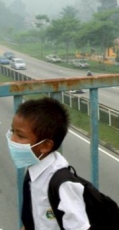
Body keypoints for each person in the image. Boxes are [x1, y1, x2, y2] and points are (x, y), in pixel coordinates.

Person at [6, 97, 91, 230]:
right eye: (12, 131)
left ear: (45, 146)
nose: (12, 139)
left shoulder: (62, 184)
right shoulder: (34, 172)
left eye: (20, 136)